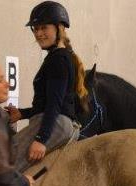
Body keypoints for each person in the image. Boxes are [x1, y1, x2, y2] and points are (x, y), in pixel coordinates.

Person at [6, 1, 88, 171]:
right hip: (58, 123)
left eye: (44, 28)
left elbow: (54, 104)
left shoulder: (57, 59)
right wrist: (22, 114)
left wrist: (41, 139)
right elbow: (50, 102)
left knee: (3, 166)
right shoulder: (62, 57)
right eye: (35, 29)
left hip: (53, 125)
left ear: (59, 28)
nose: (39, 33)